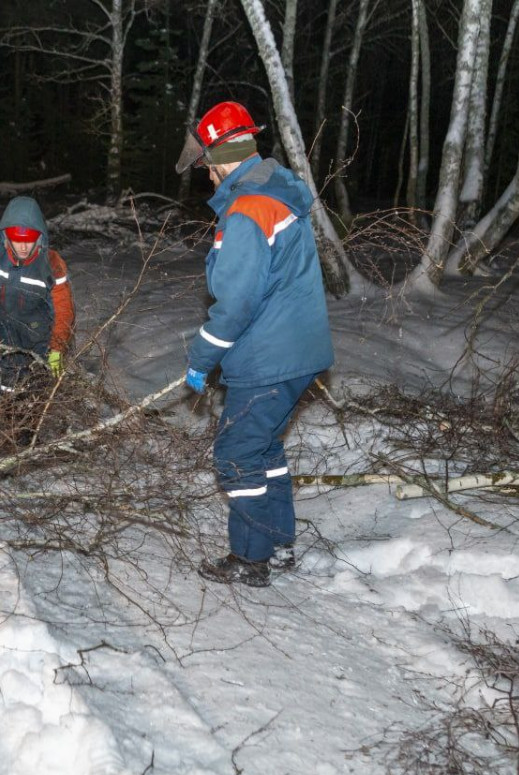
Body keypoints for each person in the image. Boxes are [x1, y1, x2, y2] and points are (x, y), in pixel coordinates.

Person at [175, 100, 335, 588]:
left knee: (237, 453)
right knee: (263, 446)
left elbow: (235, 303)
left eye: (206, 165)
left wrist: (201, 359)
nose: (206, 176)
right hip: (298, 353)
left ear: (223, 155)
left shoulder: (246, 210)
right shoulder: (274, 194)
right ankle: (277, 542)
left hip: (270, 357)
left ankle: (250, 558)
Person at [0, 195, 74, 398]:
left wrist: (57, 347)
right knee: (10, 375)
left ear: (39, 237)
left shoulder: (52, 263)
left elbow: (63, 307)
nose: (23, 247)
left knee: (37, 382)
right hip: (7, 329)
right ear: (6, 236)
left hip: (40, 333)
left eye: (29, 241)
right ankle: (10, 415)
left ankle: (34, 417)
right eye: (17, 241)